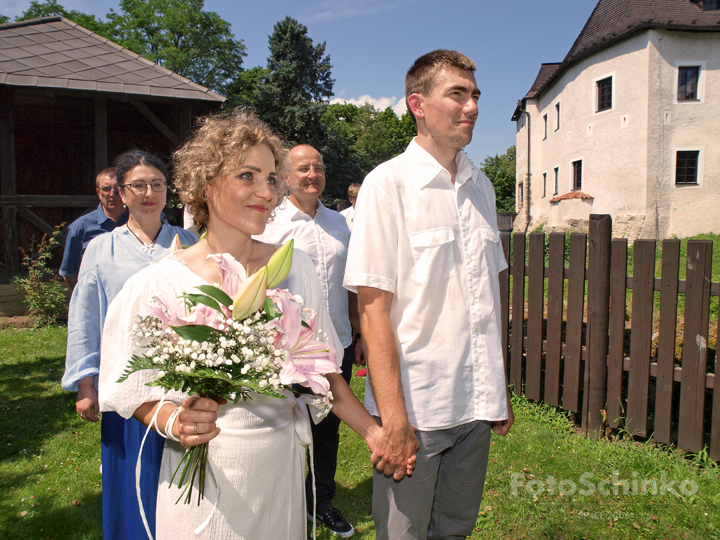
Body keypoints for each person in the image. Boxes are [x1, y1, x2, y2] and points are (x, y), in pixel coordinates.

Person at [97, 110, 410, 540]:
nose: (266, 192)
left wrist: (376, 435)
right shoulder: (159, 284)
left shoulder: (294, 269)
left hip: (279, 470)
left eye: (271, 178)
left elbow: (323, 373)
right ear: (206, 184)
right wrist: (174, 421)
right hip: (203, 483)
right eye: (248, 175)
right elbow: (129, 390)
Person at [344, 50, 514, 540]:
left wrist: (495, 391)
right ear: (417, 103)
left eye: (475, 95)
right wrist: (393, 416)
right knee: (404, 534)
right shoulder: (388, 184)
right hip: (418, 409)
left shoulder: (481, 186)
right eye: (456, 94)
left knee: (455, 530)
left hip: (475, 406)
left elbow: (486, 299)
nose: (472, 106)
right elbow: (373, 309)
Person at [61, 150, 198, 540]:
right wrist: (87, 384)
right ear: (121, 192)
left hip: (183, 383)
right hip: (127, 386)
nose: (149, 192)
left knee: (183, 483)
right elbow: (85, 318)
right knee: (132, 482)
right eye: (139, 185)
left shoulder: (191, 243)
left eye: (157, 184)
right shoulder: (101, 250)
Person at [256, 145, 361, 537]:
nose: (311, 174)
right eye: (303, 168)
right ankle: (278, 502)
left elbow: (351, 281)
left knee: (328, 426)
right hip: (285, 346)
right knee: (280, 424)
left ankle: (320, 501)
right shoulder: (270, 223)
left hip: (336, 343)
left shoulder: (339, 223)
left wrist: (357, 330)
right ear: (285, 176)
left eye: (317, 167)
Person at [59, 168, 127, 289]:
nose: (112, 194)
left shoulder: (139, 221)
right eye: (106, 189)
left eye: (118, 189)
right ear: (98, 193)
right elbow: (69, 273)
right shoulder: (80, 227)